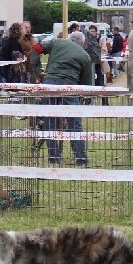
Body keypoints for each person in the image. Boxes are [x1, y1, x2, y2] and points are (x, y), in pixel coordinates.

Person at [32, 31, 92, 166]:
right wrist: (84, 98)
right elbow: (86, 83)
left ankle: (53, 157)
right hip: (70, 87)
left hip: (49, 85)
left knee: (50, 121)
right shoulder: (85, 55)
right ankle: (80, 158)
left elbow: (35, 50)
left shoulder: (55, 42)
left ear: (69, 38)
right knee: (75, 123)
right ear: (82, 43)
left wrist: (37, 72)